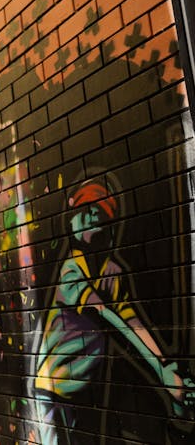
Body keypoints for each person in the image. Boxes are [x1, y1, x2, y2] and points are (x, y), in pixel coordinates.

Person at [33, 178, 194, 443]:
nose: (86, 218)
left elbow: (132, 323)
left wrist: (166, 367)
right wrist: (162, 372)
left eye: (94, 212)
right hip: (54, 391)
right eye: (82, 212)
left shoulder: (110, 274)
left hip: (86, 393)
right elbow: (107, 316)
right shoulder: (71, 270)